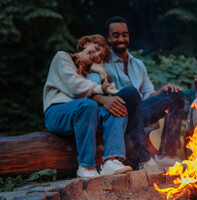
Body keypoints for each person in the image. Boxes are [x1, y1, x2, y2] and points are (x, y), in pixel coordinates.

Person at [88, 16, 185, 168]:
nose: (121, 39)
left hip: (140, 113)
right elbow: (90, 90)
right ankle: (143, 158)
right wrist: (104, 100)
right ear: (108, 38)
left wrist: (162, 91)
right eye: (116, 35)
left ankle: (166, 154)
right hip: (118, 115)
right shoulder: (102, 61)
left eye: (124, 34)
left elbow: (148, 94)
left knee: (176, 95)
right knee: (131, 93)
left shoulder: (138, 64)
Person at [43, 34, 132, 178]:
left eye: (100, 56)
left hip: (85, 115)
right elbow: (75, 88)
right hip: (57, 112)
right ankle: (86, 166)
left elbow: (113, 93)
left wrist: (102, 71)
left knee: (117, 106)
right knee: (88, 105)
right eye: (96, 48)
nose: (96, 55)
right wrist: (103, 90)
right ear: (85, 43)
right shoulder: (63, 57)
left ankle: (111, 161)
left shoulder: (91, 74)